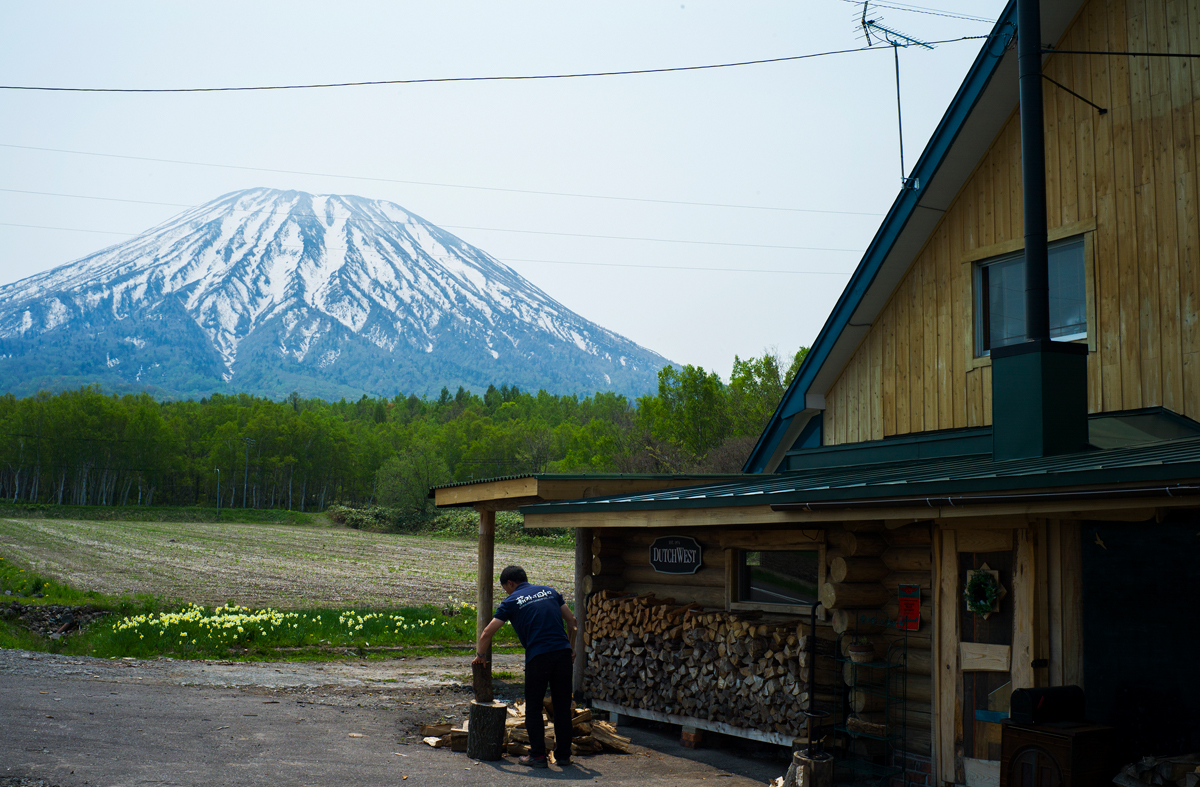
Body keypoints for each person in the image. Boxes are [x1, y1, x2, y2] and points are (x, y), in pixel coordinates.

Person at [473, 565, 577, 769]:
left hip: (539, 656)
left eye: (506, 588)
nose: (507, 592)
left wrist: (480, 656)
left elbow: (487, 632)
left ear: (510, 583)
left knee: (534, 707)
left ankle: (538, 756)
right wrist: (571, 648)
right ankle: (564, 755)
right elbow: (572, 621)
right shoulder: (551, 591)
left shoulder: (511, 601)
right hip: (563, 653)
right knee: (562, 706)